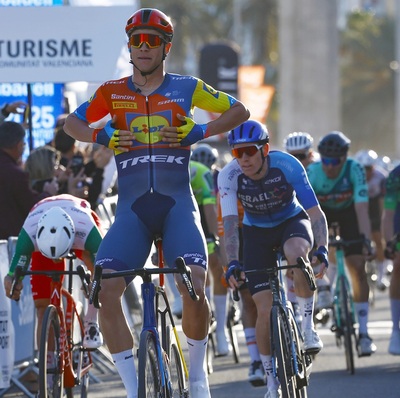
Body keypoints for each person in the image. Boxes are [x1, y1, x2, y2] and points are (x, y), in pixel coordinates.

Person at [63, 8, 250, 398]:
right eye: (136, 40)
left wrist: (201, 130)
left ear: (165, 47)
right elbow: (71, 124)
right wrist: (103, 138)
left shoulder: (187, 87)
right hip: (132, 211)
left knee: (195, 286)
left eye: (152, 41)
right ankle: (133, 389)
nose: (143, 47)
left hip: (177, 206)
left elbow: (239, 111)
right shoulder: (111, 93)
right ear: (130, 46)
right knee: (105, 289)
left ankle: (197, 377)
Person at [218, 120, 328, 398]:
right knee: (263, 308)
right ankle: (270, 382)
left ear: (264, 149)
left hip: (291, 221)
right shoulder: (228, 177)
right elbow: (231, 226)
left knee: (296, 254)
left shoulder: (288, 165)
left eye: (249, 151)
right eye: (236, 153)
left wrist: (322, 248)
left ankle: (307, 328)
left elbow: (315, 213)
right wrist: (232, 261)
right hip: (255, 232)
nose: (243, 159)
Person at [3, 195, 105, 353]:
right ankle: (47, 368)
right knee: (42, 308)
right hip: (41, 219)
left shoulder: (88, 231)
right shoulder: (29, 236)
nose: (58, 261)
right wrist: (12, 282)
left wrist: (96, 284)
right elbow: (13, 274)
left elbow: (105, 268)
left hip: (79, 217)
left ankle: (91, 322)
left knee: (100, 275)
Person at [307, 131, 377, 357]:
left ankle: (364, 333)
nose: (329, 166)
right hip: (322, 214)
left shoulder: (354, 168)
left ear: (344, 159)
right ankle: (326, 286)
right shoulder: (313, 172)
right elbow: (309, 214)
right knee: (318, 253)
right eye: (325, 160)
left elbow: (362, 209)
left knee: (357, 267)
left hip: (349, 214)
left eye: (335, 161)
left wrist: (365, 239)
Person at [283, 132, 332, 316]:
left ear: (310, 155)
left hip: (322, 212)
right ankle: (298, 300)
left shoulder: (316, 170)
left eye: (301, 156)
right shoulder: (283, 171)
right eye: (292, 156)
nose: (297, 160)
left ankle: (323, 282)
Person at [0, 121, 52, 240]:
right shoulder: (15, 174)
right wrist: (48, 193)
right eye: (23, 144)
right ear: (19, 145)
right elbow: (32, 207)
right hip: (8, 243)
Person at [354, 149, 389, 290]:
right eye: (362, 169)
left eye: (368, 168)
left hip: (375, 205)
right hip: (359, 204)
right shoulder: (354, 175)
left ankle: (381, 275)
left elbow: (383, 203)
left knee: (377, 237)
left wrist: (382, 222)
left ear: (373, 167)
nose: (365, 172)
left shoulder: (381, 177)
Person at [381, 163, 400, 355]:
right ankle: (395, 330)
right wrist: (389, 243)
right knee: (398, 265)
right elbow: (388, 214)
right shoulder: (396, 175)